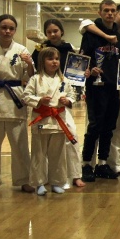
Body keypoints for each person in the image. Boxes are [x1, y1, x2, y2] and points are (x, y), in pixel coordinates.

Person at [80, 4, 120, 174]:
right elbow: (82, 58)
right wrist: (90, 68)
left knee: (109, 126)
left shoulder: (119, 37)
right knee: (95, 126)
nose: (110, 13)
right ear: (100, 12)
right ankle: (86, 164)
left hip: (113, 88)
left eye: (113, 10)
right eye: (106, 10)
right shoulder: (90, 33)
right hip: (96, 87)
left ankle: (103, 162)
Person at [0, 14, 34, 193]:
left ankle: (24, 179)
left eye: (11, 28)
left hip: (15, 98)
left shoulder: (21, 49)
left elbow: (30, 75)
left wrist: (29, 63)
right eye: (4, 27)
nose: (7, 31)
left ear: (15, 31)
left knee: (20, 145)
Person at [32, 19, 86, 188]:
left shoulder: (69, 48)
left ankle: (75, 175)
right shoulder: (40, 50)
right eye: (49, 32)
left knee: (72, 136)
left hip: (62, 98)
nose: (52, 34)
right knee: (45, 145)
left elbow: (77, 70)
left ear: (62, 31)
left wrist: (83, 74)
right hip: (45, 103)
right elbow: (34, 71)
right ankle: (47, 177)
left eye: (55, 31)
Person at [22, 47, 77, 195]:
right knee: (39, 155)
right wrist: (39, 100)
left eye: (57, 59)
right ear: (42, 61)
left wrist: (68, 101)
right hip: (41, 121)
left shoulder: (64, 80)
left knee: (58, 155)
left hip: (58, 122)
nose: (54, 62)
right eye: (50, 59)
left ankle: (56, 182)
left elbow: (73, 96)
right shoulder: (35, 79)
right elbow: (26, 96)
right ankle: (39, 183)